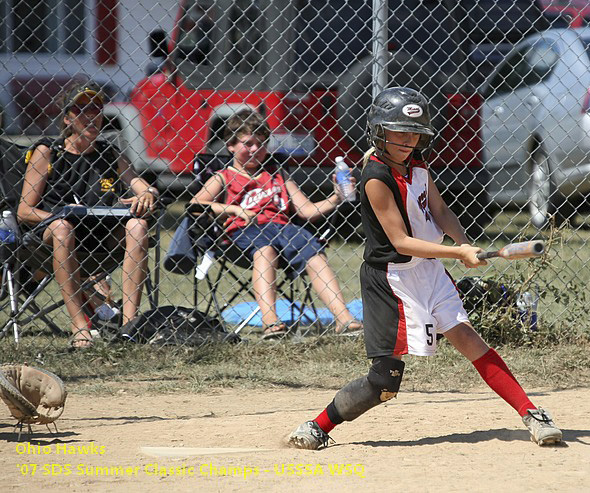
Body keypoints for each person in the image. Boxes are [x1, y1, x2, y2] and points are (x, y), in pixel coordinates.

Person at [286, 87, 562, 450]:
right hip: (392, 280)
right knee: (384, 382)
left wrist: (465, 244)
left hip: (428, 272)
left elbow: (441, 211)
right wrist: (455, 253)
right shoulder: (375, 178)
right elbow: (400, 241)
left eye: (414, 133)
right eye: (398, 132)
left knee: (469, 339)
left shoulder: (418, 166)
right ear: (379, 132)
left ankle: (532, 414)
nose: (408, 140)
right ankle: (319, 425)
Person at [190, 111, 363, 338]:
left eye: (261, 144)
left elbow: (307, 211)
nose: (255, 150)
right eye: (247, 143)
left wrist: (336, 198)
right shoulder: (222, 177)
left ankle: (343, 319)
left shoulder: (277, 175)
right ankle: (270, 320)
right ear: (230, 145)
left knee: (314, 251)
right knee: (265, 250)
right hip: (244, 232)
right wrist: (234, 209)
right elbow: (195, 205)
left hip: (284, 230)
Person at [17, 83, 159, 349]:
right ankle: (79, 326)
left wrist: (146, 193)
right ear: (68, 118)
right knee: (62, 227)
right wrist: (63, 215)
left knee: (138, 225)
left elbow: (137, 183)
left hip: (100, 236)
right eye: (82, 109)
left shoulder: (109, 153)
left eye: (96, 109)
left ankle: (130, 326)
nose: (92, 116)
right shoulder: (48, 151)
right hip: (53, 236)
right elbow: (25, 211)